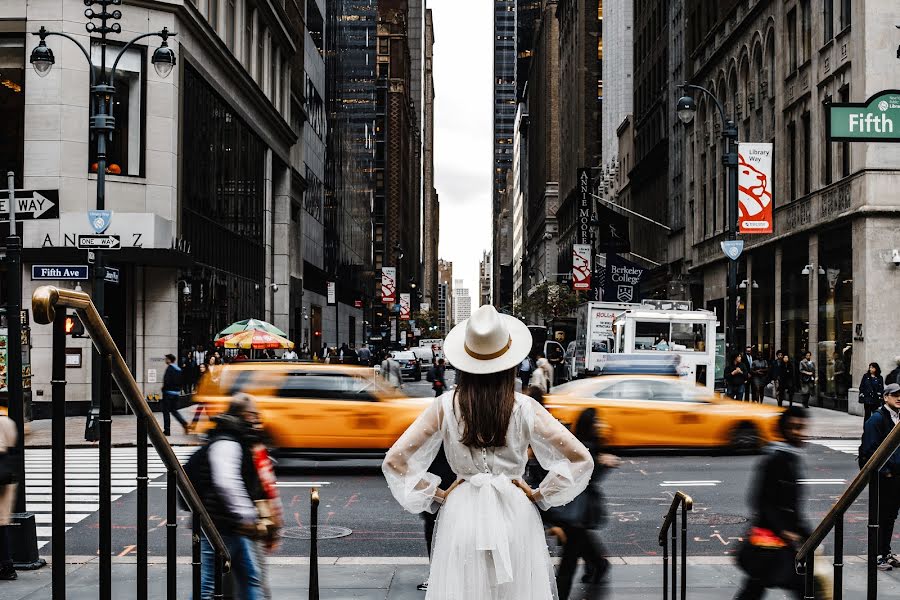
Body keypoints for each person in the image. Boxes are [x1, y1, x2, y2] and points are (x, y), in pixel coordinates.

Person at [382, 305, 594, 599]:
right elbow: (581, 458)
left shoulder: (445, 406)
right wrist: (539, 493)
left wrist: (437, 493)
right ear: (509, 364)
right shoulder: (525, 407)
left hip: (461, 514)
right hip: (516, 515)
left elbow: (395, 460)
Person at [193, 394, 273, 600]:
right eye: (254, 415)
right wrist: (248, 516)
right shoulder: (228, 441)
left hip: (230, 523)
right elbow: (226, 482)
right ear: (245, 414)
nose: (257, 420)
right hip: (220, 524)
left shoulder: (235, 438)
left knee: (249, 577)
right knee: (209, 584)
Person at [735, 407, 810, 600]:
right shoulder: (776, 459)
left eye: (801, 427)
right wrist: (786, 531)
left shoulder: (790, 457)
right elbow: (761, 500)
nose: (797, 432)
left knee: (757, 585)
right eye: (792, 427)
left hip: (777, 537)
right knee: (801, 586)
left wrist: (802, 530)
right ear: (782, 429)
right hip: (773, 537)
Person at [554, 408, 618, 599]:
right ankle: (598, 564)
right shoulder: (588, 445)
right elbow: (590, 476)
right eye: (596, 421)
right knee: (573, 550)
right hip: (577, 508)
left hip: (572, 507)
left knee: (570, 554)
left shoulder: (576, 441)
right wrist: (604, 464)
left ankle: (597, 565)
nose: (600, 425)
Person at [859, 383, 900, 571]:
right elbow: (870, 451)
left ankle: (885, 552)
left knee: (890, 517)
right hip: (885, 478)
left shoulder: (897, 418)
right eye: (894, 395)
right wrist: (887, 472)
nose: (899, 398)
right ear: (885, 397)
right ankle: (877, 555)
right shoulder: (876, 419)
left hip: (896, 477)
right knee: (881, 517)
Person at [416, 446, 455, 592]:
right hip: (455, 474)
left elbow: (397, 462)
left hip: (439, 471)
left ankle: (436, 574)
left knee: (433, 526)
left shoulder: (437, 422)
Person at [0, 413, 18, 581]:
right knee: (1, 523)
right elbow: (14, 440)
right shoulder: (6, 421)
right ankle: (7, 565)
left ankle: (6, 566)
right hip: (4, 475)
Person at [162, 354, 189, 436]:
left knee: (166, 412)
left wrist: (164, 389)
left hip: (168, 393)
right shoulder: (178, 369)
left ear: (169, 360)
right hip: (176, 393)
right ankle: (184, 423)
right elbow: (182, 380)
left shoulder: (169, 369)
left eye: (166, 359)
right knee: (174, 411)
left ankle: (167, 430)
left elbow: (166, 381)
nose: (165, 360)